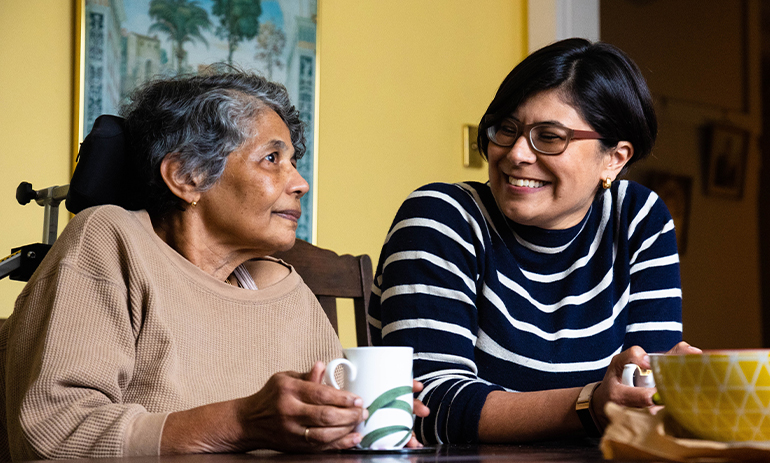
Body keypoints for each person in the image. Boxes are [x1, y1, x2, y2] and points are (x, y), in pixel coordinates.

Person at [0, 71, 428, 460]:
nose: (300, 183)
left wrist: (357, 423)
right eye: (272, 159)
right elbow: (52, 433)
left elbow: (316, 434)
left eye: (293, 162)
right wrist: (241, 423)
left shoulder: (284, 289)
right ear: (187, 176)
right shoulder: (111, 239)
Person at [368, 38, 700, 445]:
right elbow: (426, 408)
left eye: (550, 136)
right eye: (507, 129)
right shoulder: (441, 217)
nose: (517, 154)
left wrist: (675, 387)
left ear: (614, 158)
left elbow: (645, 393)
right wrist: (590, 404)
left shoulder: (638, 219)